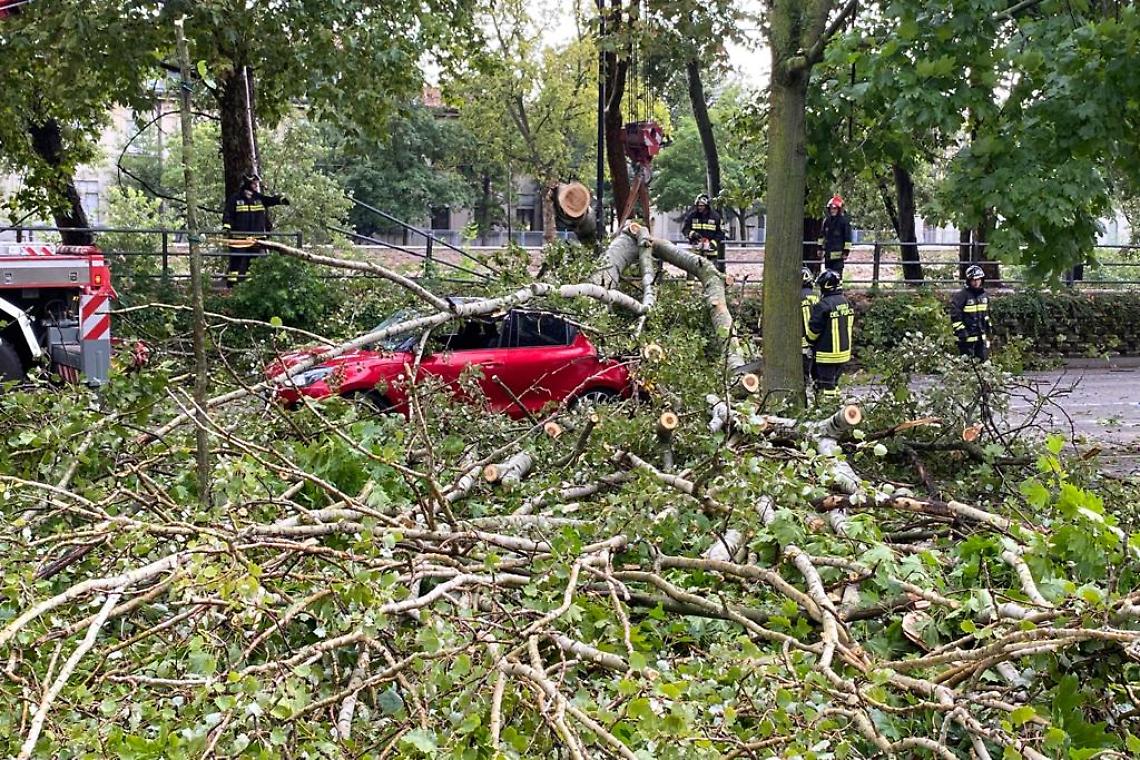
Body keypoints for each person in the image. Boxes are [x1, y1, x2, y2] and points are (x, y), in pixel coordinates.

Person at [222, 172, 289, 287]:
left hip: (255, 238)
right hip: (239, 237)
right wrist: (227, 227)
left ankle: (249, 284)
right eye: (253, 183)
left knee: (252, 261)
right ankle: (231, 284)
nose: (255, 185)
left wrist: (280, 200)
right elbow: (228, 213)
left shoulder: (258, 198)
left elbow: (270, 200)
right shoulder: (235, 199)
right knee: (236, 259)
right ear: (248, 183)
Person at [805, 269, 853, 406]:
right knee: (834, 384)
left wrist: (809, 342)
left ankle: (828, 410)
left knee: (826, 386)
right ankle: (837, 407)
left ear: (826, 286)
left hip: (826, 355)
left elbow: (814, 329)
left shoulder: (823, 305)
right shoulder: (846, 302)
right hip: (843, 354)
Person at [950, 264, 991, 360]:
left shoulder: (984, 296)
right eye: (974, 280)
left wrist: (989, 329)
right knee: (966, 365)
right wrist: (961, 331)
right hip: (966, 338)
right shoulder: (961, 296)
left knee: (982, 364)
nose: (976, 282)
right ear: (969, 281)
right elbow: (955, 316)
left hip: (981, 338)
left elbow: (986, 315)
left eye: (978, 279)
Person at [680, 193, 725, 272]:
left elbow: (721, 233)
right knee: (692, 270)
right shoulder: (692, 216)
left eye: (701, 206)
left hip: (711, 250)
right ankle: (690, 284)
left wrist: (713, 243)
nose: (699, 207)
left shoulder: (715, 217)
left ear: (706, 206)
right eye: (698, 205)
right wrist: (692, 234)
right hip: (696, 247)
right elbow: (685, 230)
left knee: (711, 271)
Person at [816, 194, 852, 276]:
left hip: (838, 258)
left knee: (837, 278)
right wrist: (819, 248)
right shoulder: (827, 221)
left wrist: (846, 252)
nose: (833, 210)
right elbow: (822, 236)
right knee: (828, 276)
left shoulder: (843, 222)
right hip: (828, 256)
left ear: (839, 209)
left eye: (835, 208)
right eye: (831, 208)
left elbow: (848, 238)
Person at [799, 266, 820, 386]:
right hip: (817, 342)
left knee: (804, 378)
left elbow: (807, 322)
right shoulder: (816, 296)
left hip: (804, 344)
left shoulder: (798, 298)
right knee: (817, 377)